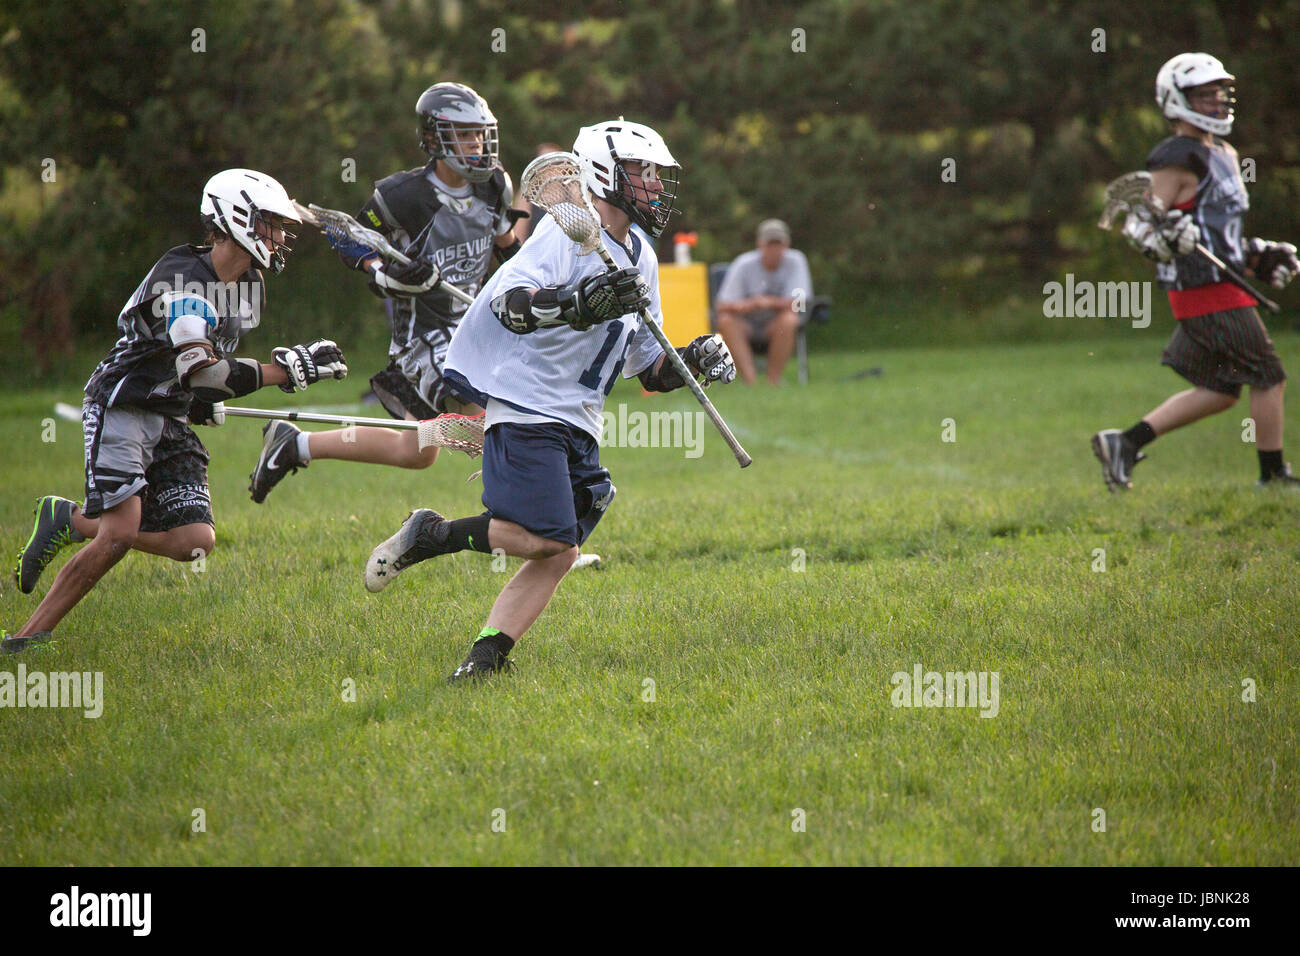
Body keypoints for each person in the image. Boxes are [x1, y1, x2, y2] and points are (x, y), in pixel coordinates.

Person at [362, 119, 736, 682]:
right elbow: (511, 304)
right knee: (550, 538)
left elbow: (646, 368)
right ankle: (434, 535)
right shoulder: (565, 235)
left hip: (579, 419)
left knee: (556, 554)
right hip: (528, 406)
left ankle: (483, 661)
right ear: (609, 174)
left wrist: (693, 361)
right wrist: (578, 301)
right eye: (646, 173)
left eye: (659, 175)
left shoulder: (643, 256)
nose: (657, 186)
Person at [4, 169, 347, 653]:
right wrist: (282, 371)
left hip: (169, 414)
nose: (280, 234)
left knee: (195, 540)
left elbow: (205, 376)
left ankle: (69, 519)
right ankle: (24, 638)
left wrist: (204, 405)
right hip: (123, 404)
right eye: (269, 222)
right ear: (235, 218)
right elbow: (201, 371)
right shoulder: (182, 278)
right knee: (120, 533)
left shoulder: (250, 287)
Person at [247, 82, 522, 502]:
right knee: (499, 422)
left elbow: (508, 249)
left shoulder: (492, 185)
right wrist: (384, 273)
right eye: (466, 134)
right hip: (424, 339)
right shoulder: (402, 196)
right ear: (436, 137)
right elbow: (349, 239)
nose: (477, 144)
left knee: (415, 452)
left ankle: (295, 444)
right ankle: (538, 533)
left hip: (471, 327)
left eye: (480, 134)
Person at [1092, 53, 1300, 491]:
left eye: (1219, 93)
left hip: (1223, 283)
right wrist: (1166, 236)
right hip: (1203, 290)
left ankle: (1125, 443)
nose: (1216, 102)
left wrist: (1258, 256)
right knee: (1269, 376)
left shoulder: (1222, 152)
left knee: (1222, 390)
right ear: (1176, 100)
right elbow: (1141, 225)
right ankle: (1274, 477)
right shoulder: (1176, 157)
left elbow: (1217, 235)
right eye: (1203, 96)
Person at [714, 219, 813, 386]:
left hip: (775, 326)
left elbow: (800, 303)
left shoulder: (796, 261)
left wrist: (768, 302)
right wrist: (747, 305)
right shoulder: (743, 263)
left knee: (790, 319)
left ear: (786, 244)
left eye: (778, 244)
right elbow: (722, 305)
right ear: (759, 244)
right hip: (746, 324)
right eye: (770, 244)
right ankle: (750, 381)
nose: (774, 250)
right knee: (726, 321)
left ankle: (772, 381)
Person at [510, 142, 563, 243]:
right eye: (545, 164)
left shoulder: (574, 193)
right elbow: (518, 237)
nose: (550, 168)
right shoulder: (527, 196)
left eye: (556, 163)